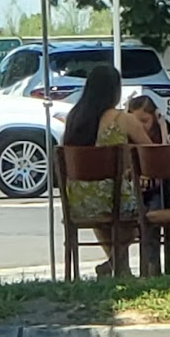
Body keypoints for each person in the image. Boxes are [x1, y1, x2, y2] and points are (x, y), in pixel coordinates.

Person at [60, 63, 142, 277]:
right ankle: (117, 263)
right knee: (144, 213)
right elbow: (151, 150)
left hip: (79, 199)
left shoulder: (74, 117)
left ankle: (118, 268)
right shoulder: (121, 118)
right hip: (112, 196)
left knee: (104, 215)